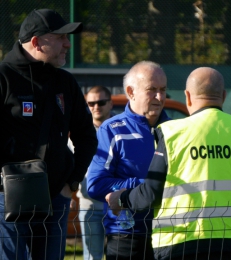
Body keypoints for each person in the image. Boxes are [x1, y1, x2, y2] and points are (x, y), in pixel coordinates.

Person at [105, 67, 231, 260]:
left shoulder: (172, 133)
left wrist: (121, 198)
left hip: (182, 242)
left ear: (187, 96)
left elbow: (151, 192)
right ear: (224, 96)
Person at [0, 8, 98, 260]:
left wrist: (71, 183)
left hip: (56, 198)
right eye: (60, 37)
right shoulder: (4, 78)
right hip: (7, 201)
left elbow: (86, 136)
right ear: (36, 42)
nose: (68, 44)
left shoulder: (66, 82)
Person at [87, 61, 171, 260]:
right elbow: (96, 185)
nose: (159, 97)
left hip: (172, 232)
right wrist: (144, 188)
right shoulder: (112, 129)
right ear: (131, 92)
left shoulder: (177, 129)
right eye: (152, 90)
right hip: (127, 235)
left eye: (163, 90)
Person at [78, 86, 114, 260]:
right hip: (89, 205)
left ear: (110, 104)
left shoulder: (120, 129)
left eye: (101, 102)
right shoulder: (79, 133)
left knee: (122, 254)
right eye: (91, 103)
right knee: (91, 257)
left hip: (118, 204)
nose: (96, 107)